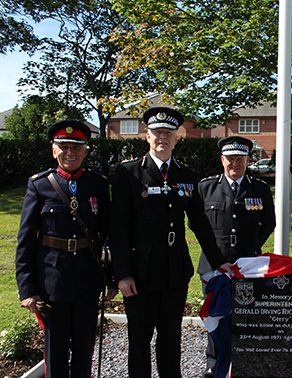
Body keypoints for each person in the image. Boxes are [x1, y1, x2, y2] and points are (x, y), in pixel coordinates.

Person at [109, 107, 232, 378]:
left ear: (177, 138)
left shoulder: (186, 175)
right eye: (157, 133)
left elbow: (199, 222)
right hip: (139, 275)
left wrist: (219, 260)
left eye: (168, 133)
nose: (162, 138)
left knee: (170, 339)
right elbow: (117, 229)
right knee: (139, 341)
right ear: (147, 136)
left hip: (175, 272)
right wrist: (122, 275)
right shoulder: (128, 173)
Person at [16, 120, 117, 377]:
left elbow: (110, 234)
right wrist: (27, 289)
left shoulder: (97, 185)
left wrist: (112, 278)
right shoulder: (39, 185)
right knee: (55, 352)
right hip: (51, 283)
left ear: (85, 151)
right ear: (53, 150)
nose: (69, 151)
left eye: (76, 146)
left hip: (87, 278)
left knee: (84, 351)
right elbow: (25, 241)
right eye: (63, 146)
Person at [194, 136, 276, 378]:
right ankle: (214, 362)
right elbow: (197, 225)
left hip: (246, 265)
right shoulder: (205, 187)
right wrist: (217, 257)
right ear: (222, 160)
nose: (235, 164)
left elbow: (268, 222)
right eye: (230, 159)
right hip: (214, 264)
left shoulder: (259, 188)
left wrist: (251, 248)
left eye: (240, 159)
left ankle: (243, 360)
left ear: (247, 160)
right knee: (215, 315)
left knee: (245, 314)